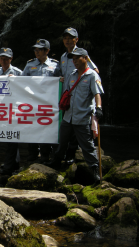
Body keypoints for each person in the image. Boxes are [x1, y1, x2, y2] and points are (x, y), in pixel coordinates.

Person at [46, 48, 103, 183]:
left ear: (85, 58)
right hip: (68, 115)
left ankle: (94, 170)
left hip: (82, 117)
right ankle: (56, 162)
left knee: (87, 145)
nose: (75, 61)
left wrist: (99, 108)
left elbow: (97, 94)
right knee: (62, 141)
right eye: (73, 59)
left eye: (77, 58)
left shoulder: (92, 76)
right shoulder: (71, 75)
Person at [59, 27, 99, 164]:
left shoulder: (82, 54)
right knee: (66, 130)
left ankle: (73, 156)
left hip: (82, 101)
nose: (68, 40)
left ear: (77, 39)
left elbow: (94, 71)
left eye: (70, 38)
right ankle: (62, 157)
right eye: (65, 38)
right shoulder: (63, 57)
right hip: (68, 100)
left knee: (80, 132)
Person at [22, 39, 60, 163]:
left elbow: (60, 80)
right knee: (32, 127)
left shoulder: (56, 65)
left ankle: (45, 154)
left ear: (47, 51)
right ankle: (32, 153)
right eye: (35, 49)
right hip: (33, 103)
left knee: (46, 127)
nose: (36, 52)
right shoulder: (29, 64)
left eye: (39, 50)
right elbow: (21, 82)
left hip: (48, 103)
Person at [0, 48, 22, 175]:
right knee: (9, 137)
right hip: (0, 109)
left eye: (6, 58)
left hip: (14, 109)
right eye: (1, 58)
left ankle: (9, 166)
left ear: (11, 59)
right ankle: (15, 163)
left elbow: (25, 90)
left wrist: (15, 80)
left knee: (12, 136)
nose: (3, 61)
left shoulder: (18, 72)